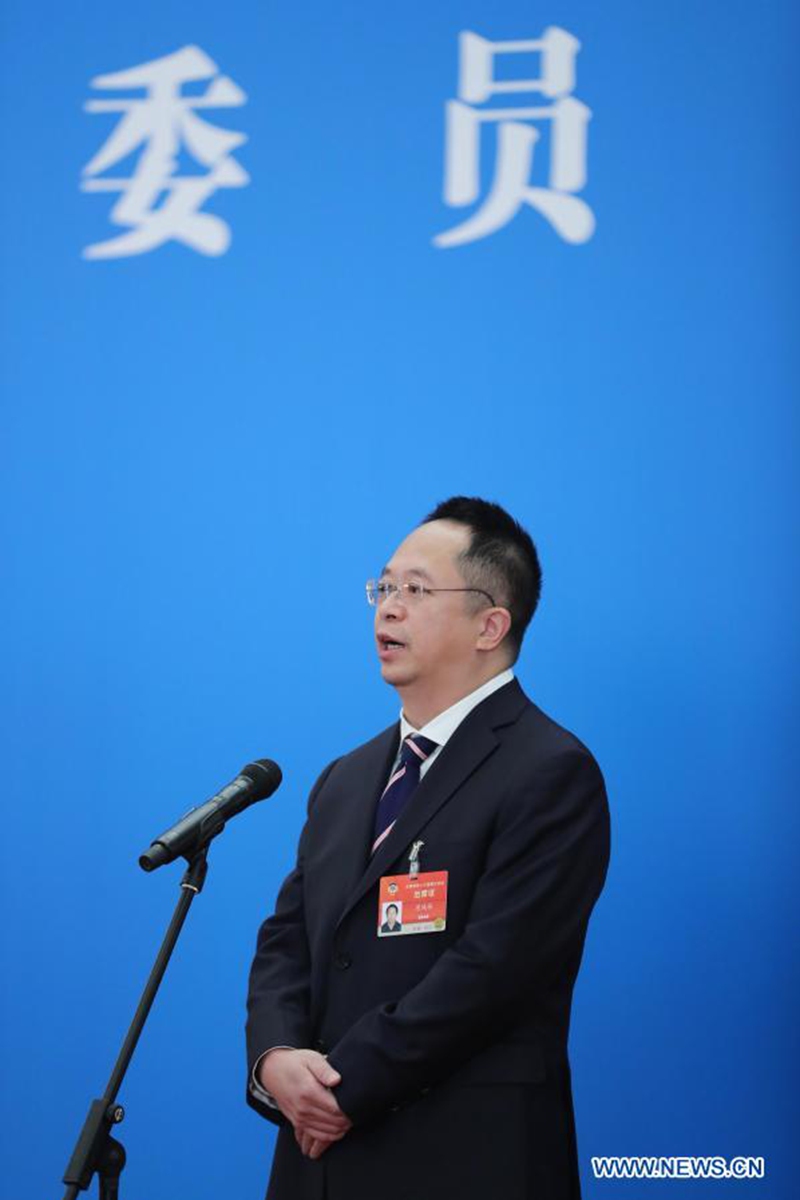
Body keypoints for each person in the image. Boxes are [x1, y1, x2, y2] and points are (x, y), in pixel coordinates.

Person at [245, 497, 610, 1200]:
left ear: (490, 624)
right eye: (382, 588)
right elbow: (287, 940)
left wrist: (340, 1089)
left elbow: (492, 970)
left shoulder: (550, 771)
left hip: (465, 1158)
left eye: (415, 590)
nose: (387, 608)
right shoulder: (345, 778)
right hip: (316, 1165)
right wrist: (276, 1058)